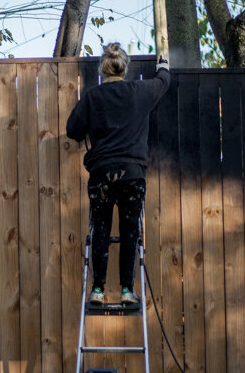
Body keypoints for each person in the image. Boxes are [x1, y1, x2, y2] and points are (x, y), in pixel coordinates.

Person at [66, 43, 171, 305]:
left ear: (104, 68)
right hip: (132, 174)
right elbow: (163, 82)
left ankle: (98, 290)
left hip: (101, 175)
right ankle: (127, 290)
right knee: (129, 231)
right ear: (125, 68)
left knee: (100, 229)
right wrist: (163, 66)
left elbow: (72, 130)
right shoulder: (140, 91)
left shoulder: (92, 97)